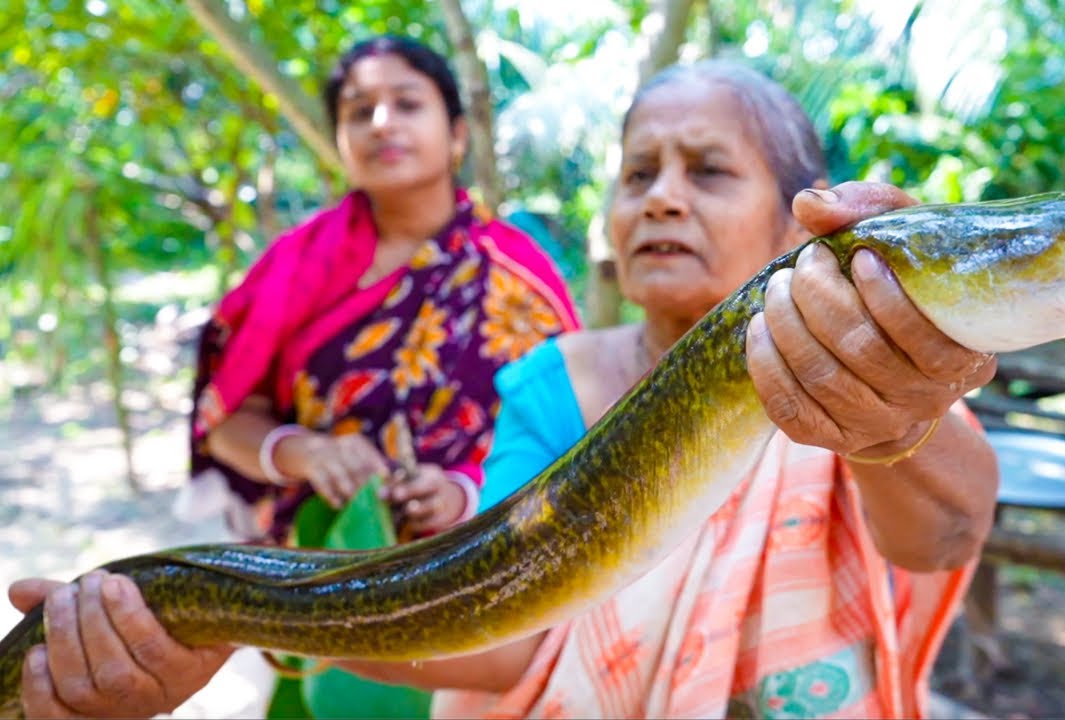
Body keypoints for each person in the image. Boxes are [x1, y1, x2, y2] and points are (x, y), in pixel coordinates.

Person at [8, 60, 998, 719]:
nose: (659, 195)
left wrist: (896, 414)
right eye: (636, 172)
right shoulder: (552, 383)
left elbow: (942, 538)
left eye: (706, 172)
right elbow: (493, 631)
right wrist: (215, 614)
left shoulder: (875, 356)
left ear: (800, 220)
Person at [187, 34, 579, 545]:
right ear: (340, 140)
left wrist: (463, 494)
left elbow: (570, 439)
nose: (382, 123)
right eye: (359, 111)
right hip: (303, 578)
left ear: (457, 135)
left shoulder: (516, 274)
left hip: (476, 574)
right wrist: (304, 452)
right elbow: (224, 424)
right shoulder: (292, 267)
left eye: (408, 104)